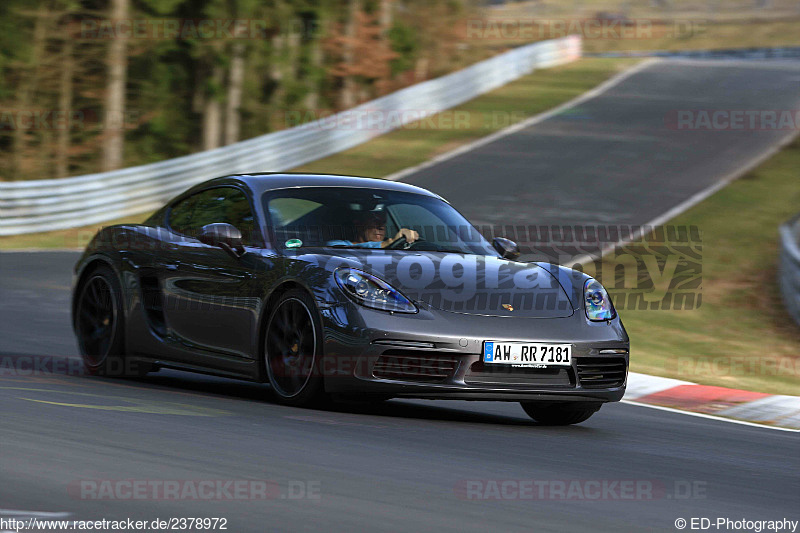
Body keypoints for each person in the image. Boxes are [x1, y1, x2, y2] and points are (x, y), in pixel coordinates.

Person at [328, 210, 419, 248]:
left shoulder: (392, 245)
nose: (381, 226)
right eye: (375, 221)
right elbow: (354, 251)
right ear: (359, 224)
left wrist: (407, 238)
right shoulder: (335, 245)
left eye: (383, 222)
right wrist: (392, 241)